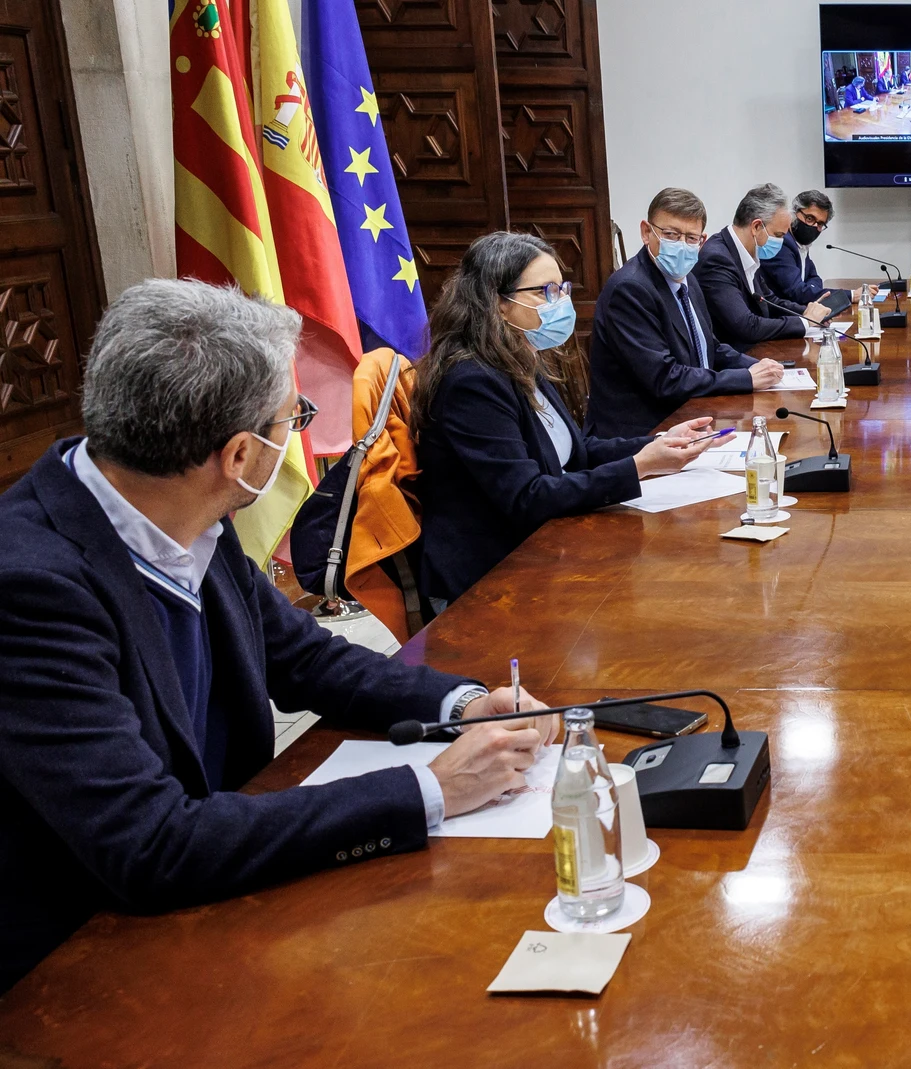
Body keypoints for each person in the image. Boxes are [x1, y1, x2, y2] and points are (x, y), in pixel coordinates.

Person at [0, 278, 565, 992]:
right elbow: (149, 842)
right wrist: (426, 790)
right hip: (83, 959)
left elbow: (300, 656)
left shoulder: (179, 504)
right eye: (290, 418)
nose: (294, 431)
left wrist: (459, 704)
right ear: (239, 456)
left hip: (217, 894)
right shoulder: (30, 586)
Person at [415, 231, 716, 607]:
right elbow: (527, 496)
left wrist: (657, 443)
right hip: (489, 578)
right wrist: (638, 468)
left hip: (537, 547)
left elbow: (573, 452)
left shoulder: (518, 355)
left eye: (562, 289)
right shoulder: (471, 382)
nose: (560, 302)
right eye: (545, 292)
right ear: (498, 302)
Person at [587, 187, 783, 439]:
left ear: (702, 241)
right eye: (671, 234)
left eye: (691, 238)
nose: (682, 246)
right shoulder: (630, 289)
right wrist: (745, 378)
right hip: (641, 434)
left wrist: (757, 367)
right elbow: (665, 378)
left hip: (689, 415)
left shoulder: (686, 277)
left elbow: (709, 346)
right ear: (647, 232)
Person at [693, 184, 830, 351]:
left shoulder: (747, 252)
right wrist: (804, 322)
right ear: (757, 226)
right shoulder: (717, 259)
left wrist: (807, 312)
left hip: (755, 351)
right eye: (779, 235)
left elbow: (769, 301)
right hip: (731, 359)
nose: (781, 241)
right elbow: (746, 325)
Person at [760, 189, 833, 305]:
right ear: (794, 213)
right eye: (810, 218)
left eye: (820, 224)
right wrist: (851, 295)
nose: (814, 226)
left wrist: (809, 290)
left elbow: (815, 278)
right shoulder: (782, 243)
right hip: (778, 316)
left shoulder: (801, 244)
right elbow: (797, 292)